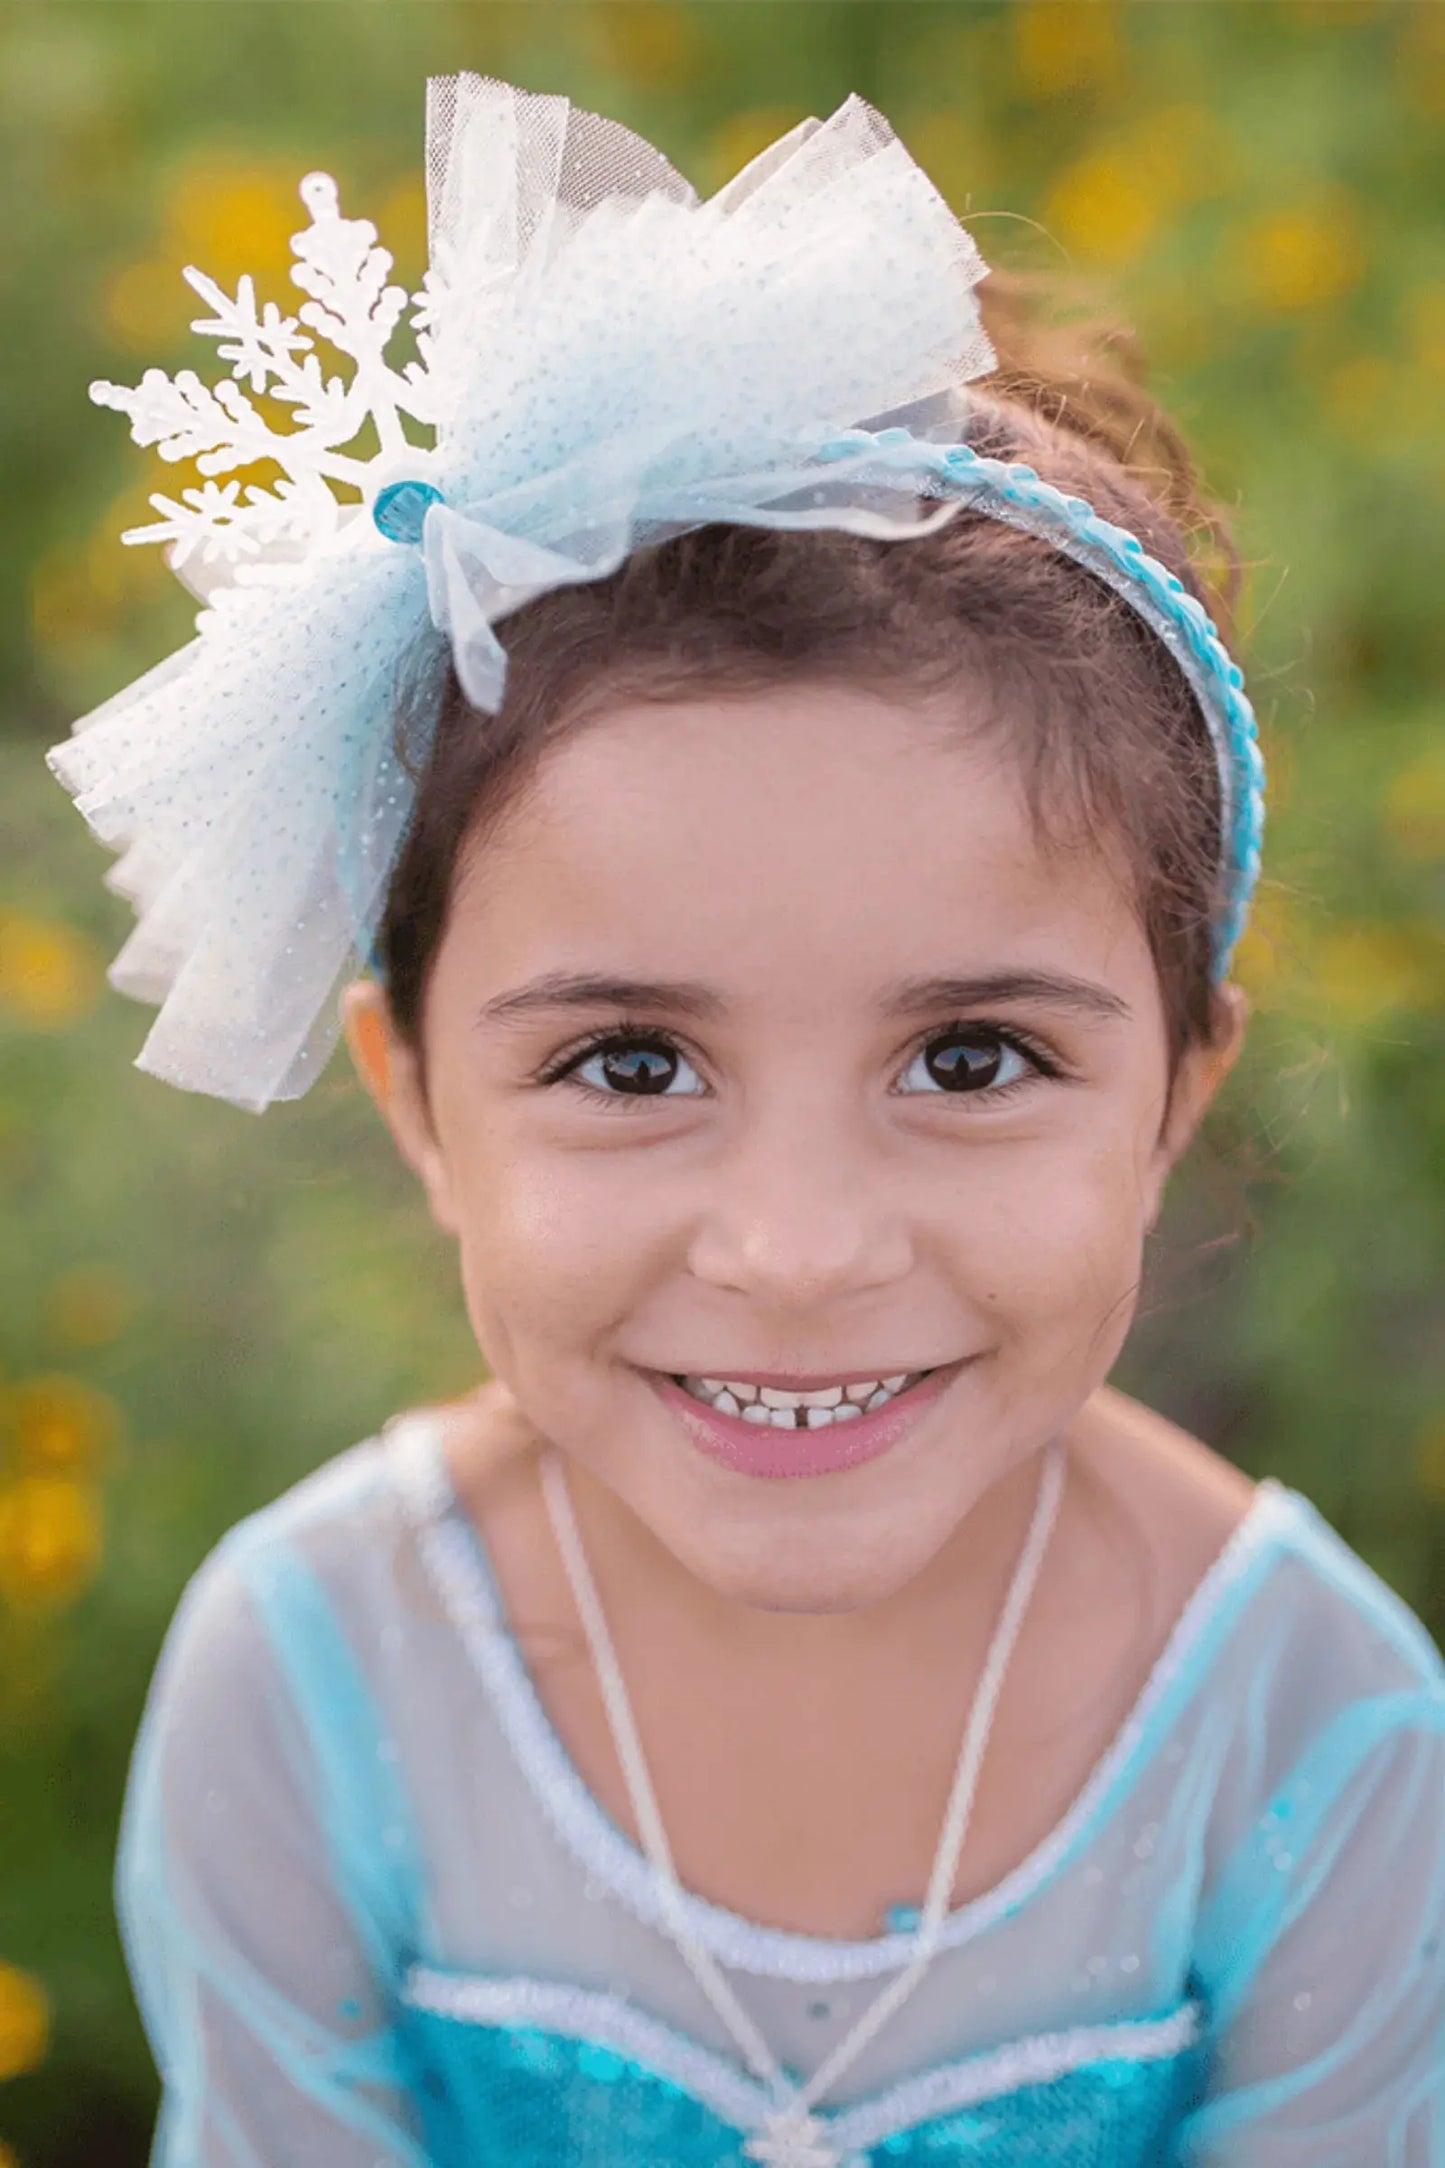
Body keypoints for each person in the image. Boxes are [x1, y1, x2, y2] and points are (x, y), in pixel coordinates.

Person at [49, 71, 1442, 2168]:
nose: (796, 1249)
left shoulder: (1322, 1734)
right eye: (629, 1063)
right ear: (417, 1098)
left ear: (1179, 1092)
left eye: (972, 1058)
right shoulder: (315, 1681)